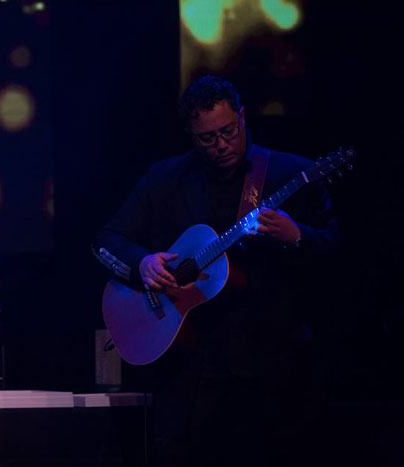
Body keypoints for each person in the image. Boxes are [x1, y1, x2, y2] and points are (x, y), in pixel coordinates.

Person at [94, 75, 338, 466]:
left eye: (228, 131)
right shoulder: (165, 180)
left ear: (242, 117)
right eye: (207, 138)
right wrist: (142, 263)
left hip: (271, 369)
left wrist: (297, 236)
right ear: (191, 135)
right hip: (189, 372)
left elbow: (336, 253)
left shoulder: (291, 173)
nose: (221, 145)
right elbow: (106, 241)